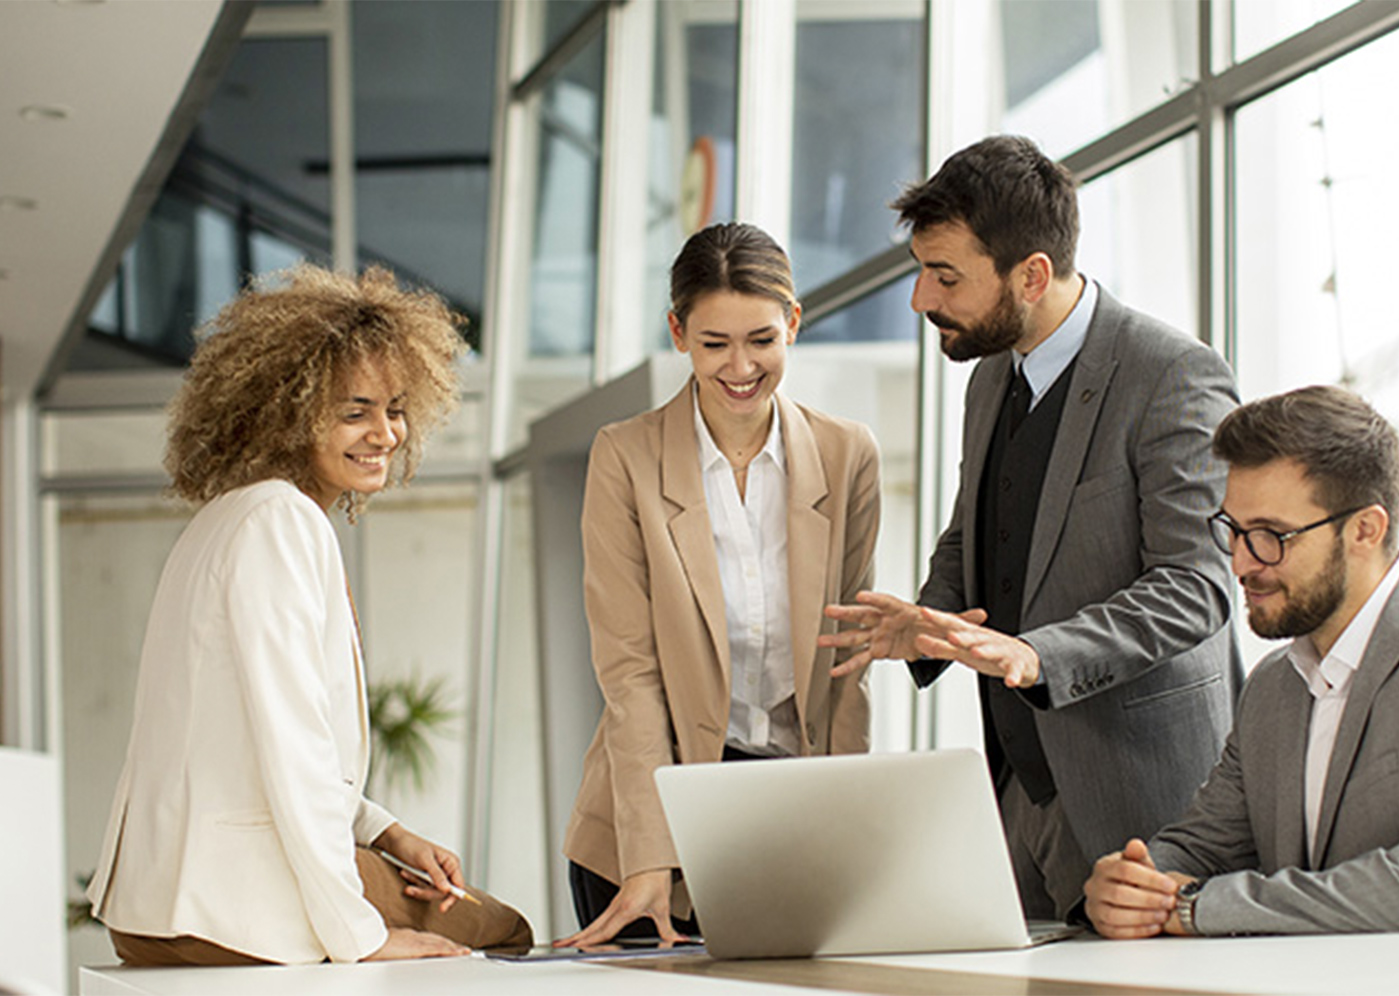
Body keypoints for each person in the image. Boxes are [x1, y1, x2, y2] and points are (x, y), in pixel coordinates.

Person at [820, 135, 1242, 919]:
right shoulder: (990, 377)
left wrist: (1036, 654)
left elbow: (1198, 587)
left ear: (1033, 274)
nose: (920, 300)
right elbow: (975, 529)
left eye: (945, 277)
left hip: (1145, 800)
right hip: (1019, 787)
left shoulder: (1172, 375)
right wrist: (927, 619)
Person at [85, 264, 534, 966]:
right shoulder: (280, 522)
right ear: (286, 412)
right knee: (503, 929)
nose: (384, 434)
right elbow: (291, 745)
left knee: (458, 904)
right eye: (355, 411)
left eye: (394, 408)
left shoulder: (226, 518)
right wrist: (363, 937)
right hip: (230, 907)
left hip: (154, 906)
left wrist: (386, 834)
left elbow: (245, 742)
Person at [1083, 385, 1399, 938]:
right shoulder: (1274, 686)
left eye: (1271, 536)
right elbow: (1203, 844)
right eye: (1233, 531)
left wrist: (1195, 907)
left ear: (1364, 530)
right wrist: (1132, 884)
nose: (1241, 563)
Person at [559, 222, 881, 946]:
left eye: (762, 340)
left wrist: (850, 835)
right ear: (678, 332)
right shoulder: (626, 458)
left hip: (790, 813)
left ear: (793, 323)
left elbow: (847, 663)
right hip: (652, 819)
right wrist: (650, 857)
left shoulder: (847, 454)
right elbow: (630, 673)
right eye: (715, 344)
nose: (742, 366)